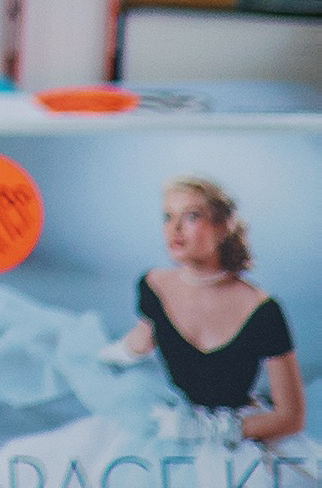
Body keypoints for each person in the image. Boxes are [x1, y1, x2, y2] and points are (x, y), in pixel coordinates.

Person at [107, 175, 305, 454]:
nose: (174, 229)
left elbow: (291, 417)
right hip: (172, 425)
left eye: (190, 217)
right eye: (167, 216)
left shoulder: (263, 310)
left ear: (222, 227)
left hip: (239, 439)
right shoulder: (154, 285)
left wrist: (213, 431)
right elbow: (139, 343)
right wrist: (96, 359)